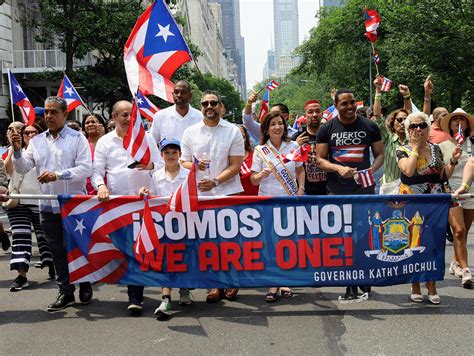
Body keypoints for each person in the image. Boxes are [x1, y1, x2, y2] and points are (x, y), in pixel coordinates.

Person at [12, 96, 93, 312]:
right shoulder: (37, 142)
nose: (48, 116)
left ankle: (85, 282)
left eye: (54, 112)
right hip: (48, 207)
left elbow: (85, 169)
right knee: (57, 251)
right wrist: (18, 150)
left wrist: (58, 175)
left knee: (78, 247)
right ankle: (65, 291)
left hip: (74, 206)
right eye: (46, 112)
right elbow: (22, 168)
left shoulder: (77, 138)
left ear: (65, 114)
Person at [92, 100, 160, 315]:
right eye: (122, 114)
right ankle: (133, 290)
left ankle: (136, 296)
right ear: (113, 117)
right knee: (125, 250)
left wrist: (150, 166)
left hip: (142, 203)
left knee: (138, 249)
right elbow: (96, 171)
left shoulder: (147, 139)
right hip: (117, 205)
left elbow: (160, 167)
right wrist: (101, 186)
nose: (127, 118)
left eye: (131, 114)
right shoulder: (105, 142)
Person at [316, 88, 384, 301]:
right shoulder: (326, 129)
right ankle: (350, 281)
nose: (349, 107)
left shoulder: (370, 126)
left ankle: (362, 274)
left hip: (364, 190)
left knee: (363, 235)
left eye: (352, 102)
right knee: (344, 236)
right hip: (337, 190)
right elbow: (320, 159)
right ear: (335, 105)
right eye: (344, 103)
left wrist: (369, 172)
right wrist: (338, 168)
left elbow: (380, 155)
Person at [181, 90, 244, 303]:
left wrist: (216, 181)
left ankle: (232, 282)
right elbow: (183, 161)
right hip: (200, 195)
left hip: (227, 192)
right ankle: (214, 285)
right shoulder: (190, 132)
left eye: (213, 103)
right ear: (201, 107)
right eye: (205, 103)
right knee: (207, 242)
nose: (209, 106)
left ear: (221, 107)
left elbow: (236, 165)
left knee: (230, 241)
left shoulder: (233, 131)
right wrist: (195, 165)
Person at [396, 112, 461, 304]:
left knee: (434, 243)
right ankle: (415, 283)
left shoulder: (436, 149)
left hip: (434, 202)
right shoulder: (402, 149)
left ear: (428, 128)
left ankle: (431, 285)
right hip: (412, 202)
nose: (418, 129)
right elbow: (408, 170)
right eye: (414, 126)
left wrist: (454, 161)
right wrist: (415, 148)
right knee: (413, 243)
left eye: (422, 125)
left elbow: (442, 175)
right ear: (408, 130)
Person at [250, 111, 305, 302]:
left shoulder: (293, 145)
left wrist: (301, 189)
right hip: (267, 200)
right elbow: (253, 180)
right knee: (271, 242)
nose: (277, 127)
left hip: (289, 198)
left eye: (280, 123)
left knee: (288, 241)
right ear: (266, 128)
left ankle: (285, 280)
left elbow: (299, 169)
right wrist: (261, 175)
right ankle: (273, 282)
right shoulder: (260, 151)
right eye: (273, 124)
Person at [138, 138, 190, 318]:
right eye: (166, 152)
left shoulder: (188, 175)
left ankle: (184, 289)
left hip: (184, 224)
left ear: (180, 155)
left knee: (183, 257)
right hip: (164, 225)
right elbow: (152, 195)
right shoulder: (157, 175)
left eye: (174, 152)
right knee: (166, 259)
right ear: (161, 155)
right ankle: (166, 297)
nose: (170, 156)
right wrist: (145, 192)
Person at [4, 123, 55, 291]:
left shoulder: (48, 152)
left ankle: (52, 263)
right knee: (20, 236)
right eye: (26, 132)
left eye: (34, 132)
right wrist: (14, 146)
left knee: (45, 237)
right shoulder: (17, 153)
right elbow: (8, 170)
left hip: (41, 201)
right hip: (19, 202)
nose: (30, 135)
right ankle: (21, 275)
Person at [438, 108, 474, 286]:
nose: (459, 122)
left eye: (462, 120)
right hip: (452, 190)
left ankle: (454, 263)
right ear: (449, 124)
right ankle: (466, 270)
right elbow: (443, 174)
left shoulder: (472, 143)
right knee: (458, 231)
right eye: (455, 120)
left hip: (471, 191)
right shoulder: (442, 146)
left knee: (464, 232)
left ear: (467, 124)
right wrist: (452, 159)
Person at [150, 80, 202, 147]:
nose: (179, 95)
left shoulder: (200, 118)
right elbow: (152, 142)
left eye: (183, 92)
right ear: (172, 94)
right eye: (176, 92)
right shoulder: (160, 116)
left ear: (190, 95)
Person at [291, 99, 327, 195]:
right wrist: (295, 147)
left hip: (327, 191)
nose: (314, 115)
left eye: (317, 111)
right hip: (304, 192)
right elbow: (287, 163)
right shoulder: (297, 138)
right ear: (305, 116)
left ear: (322, 114)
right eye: (310, 112)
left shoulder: (329, 135)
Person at [82, 114, 107, 195]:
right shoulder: (81, 145)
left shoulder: (108, 143)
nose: (90, 124)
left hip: (106, 188)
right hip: (86, 189)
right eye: (87, 123)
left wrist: (102, 137)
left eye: (93, 122)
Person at [239, 126, 259, 196]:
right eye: (237, 137)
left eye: (243, 137)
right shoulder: (224, 158)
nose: (240, 140)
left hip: (255, 202)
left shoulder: (255, 155)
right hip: (233, 203)